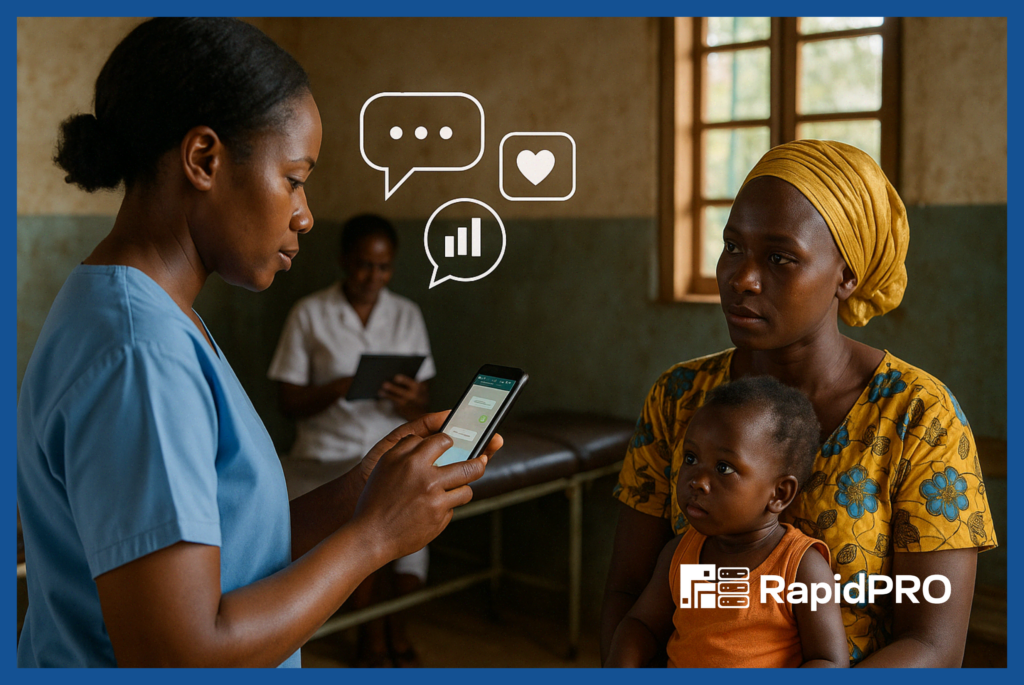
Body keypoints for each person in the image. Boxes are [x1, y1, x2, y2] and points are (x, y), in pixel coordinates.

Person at [16, 18, 499, 668]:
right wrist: (373, 537)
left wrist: (359, 490)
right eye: (295, 178)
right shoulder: (141, 354)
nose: (304, 213)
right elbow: (182, 653)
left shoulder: (146, 313)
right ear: (204, 159)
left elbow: (231, 552)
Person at [602, 140, 998, 667]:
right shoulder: (680, 397)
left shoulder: (920, 417)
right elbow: (629, 594)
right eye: (732, 247)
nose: (741, 278)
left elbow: (933, 645)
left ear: (846, 275)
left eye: (780, 257)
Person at [268, 214, 434, 666]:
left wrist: (410, 400)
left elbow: (424, 403)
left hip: (388, 452)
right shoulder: (309, 313)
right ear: (344, 261)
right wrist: (338, 387)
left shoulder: (406, 314)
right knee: (367, 534)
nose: (372, 278)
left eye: (383, 268)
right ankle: (379, 640)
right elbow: (288, 401)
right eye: (363, 265)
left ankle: (382, 633)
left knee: (403, 565)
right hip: (324, 459)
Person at [605, 377, 848, 668]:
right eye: (691, 458)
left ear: (779, 494)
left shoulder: (798, 568)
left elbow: (828, 661)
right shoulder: (681, 555)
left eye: (723, 467)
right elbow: (641, 625)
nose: (697, 481)